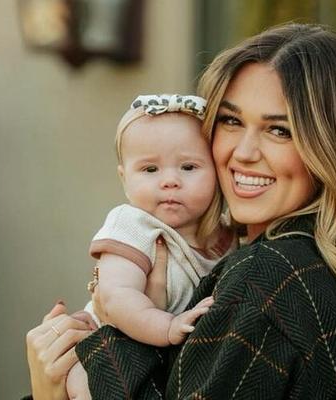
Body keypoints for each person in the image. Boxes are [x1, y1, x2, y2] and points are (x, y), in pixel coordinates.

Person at [25, 23, 336, 400]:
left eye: (279, 130)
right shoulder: (309, 267)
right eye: (230, 121)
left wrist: (107, 338)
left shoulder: (267, 276)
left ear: (333, 149)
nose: (243, 152)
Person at [63, 94, 236, 400]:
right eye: (150, 170)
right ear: (124, 179)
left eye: (188, 167)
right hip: (106, 352)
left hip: (170, 369)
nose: (170, 180)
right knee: (81, 384)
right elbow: (116, 297)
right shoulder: (133, 225)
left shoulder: (229, 234)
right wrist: (166, 326)